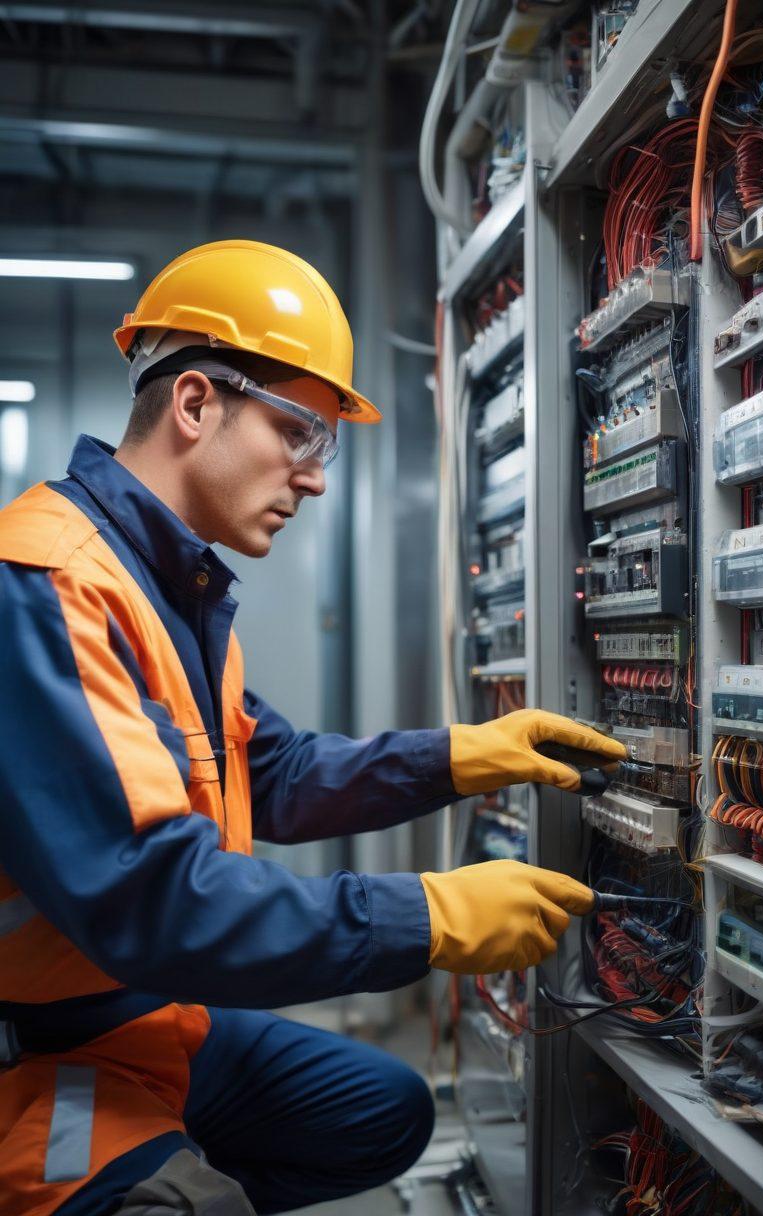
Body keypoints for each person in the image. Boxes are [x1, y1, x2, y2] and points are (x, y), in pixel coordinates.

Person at [0, 240, 624, 1215]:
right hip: (40, 1043)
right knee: (190, 1206)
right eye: (298, 430)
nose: (316, 478)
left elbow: (272, 772)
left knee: (382, 1111)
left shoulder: (165, 582)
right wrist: (429, 916)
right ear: (196, 402)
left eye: (323, 444)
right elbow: (155, 898)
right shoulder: (48, 584)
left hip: (142, 1005)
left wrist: (462, 758)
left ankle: (164, 1150)